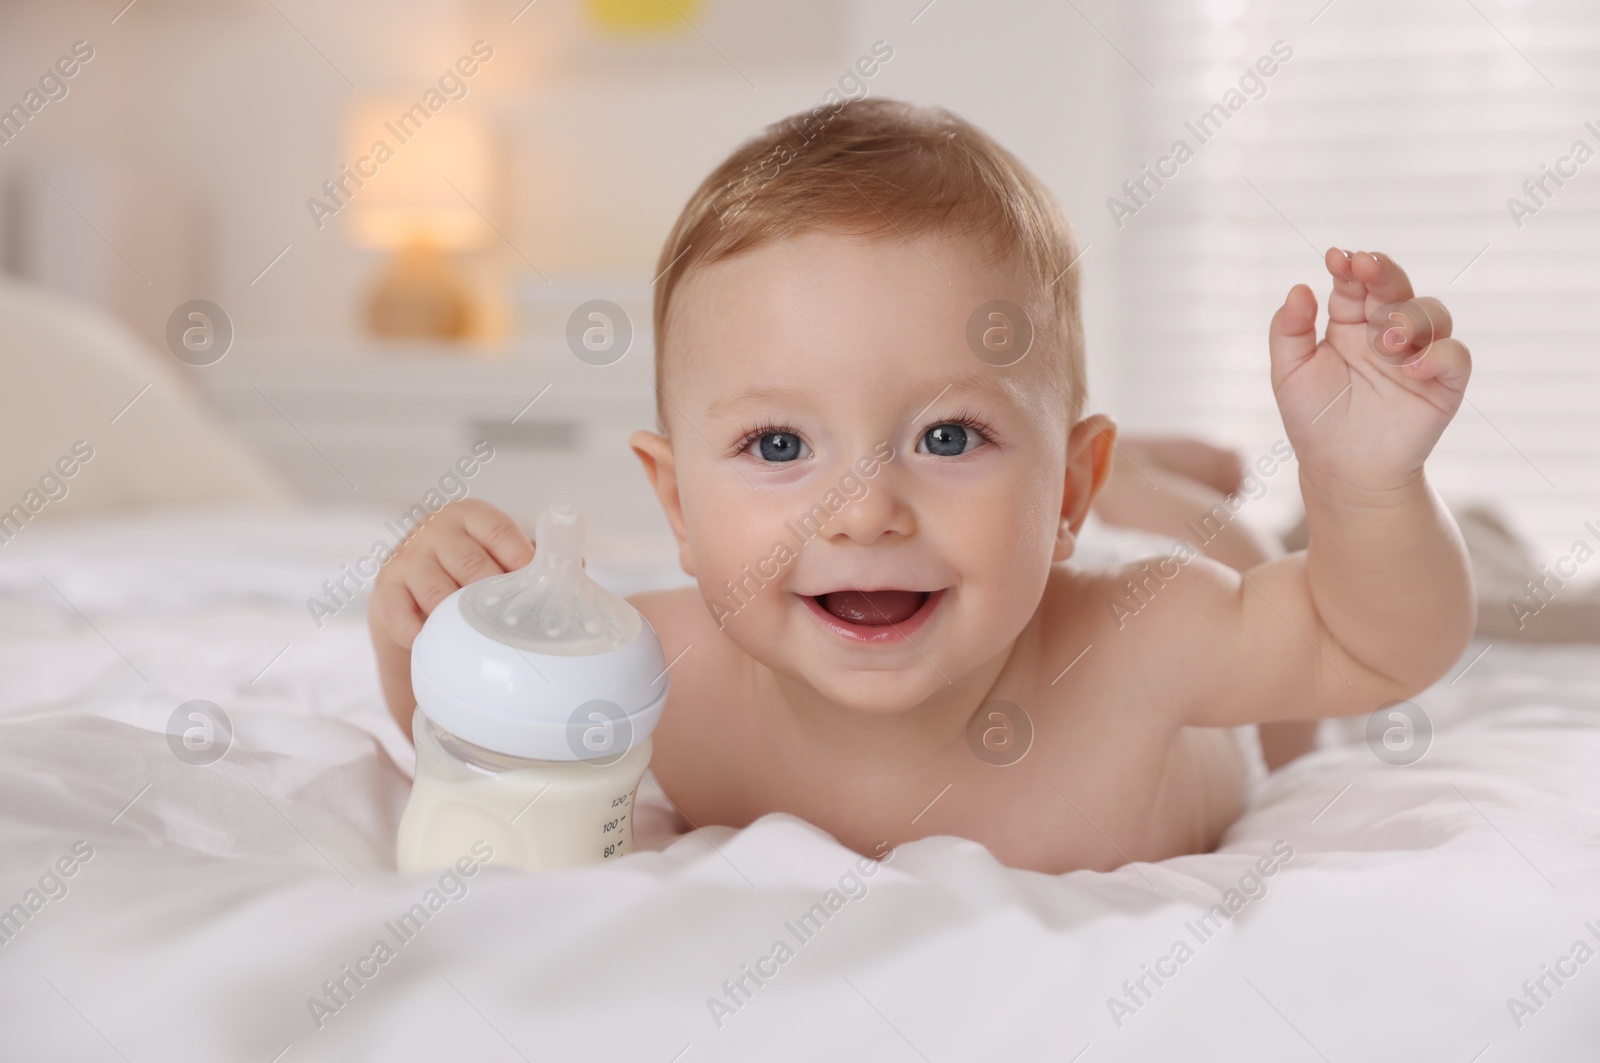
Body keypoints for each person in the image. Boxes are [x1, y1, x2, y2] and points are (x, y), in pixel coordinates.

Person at [369, 99, 1474, 875]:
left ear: (1061, 489)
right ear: (674, 509)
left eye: (948, 433)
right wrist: (424, 615)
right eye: (775, 444)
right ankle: (1107, 465)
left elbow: (1370, 644)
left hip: (1187, 648)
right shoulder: (659, 669)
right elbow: (479, 742)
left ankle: (1150, 485)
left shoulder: (1141, 638)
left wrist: (1363, 484)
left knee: (1229, 567)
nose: (862, 512)